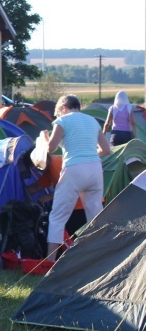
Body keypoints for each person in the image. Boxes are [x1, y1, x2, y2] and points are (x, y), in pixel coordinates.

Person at [43, 94, 111, 261]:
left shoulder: (63, 121)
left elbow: (51, 148)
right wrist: (89, 155)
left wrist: (44, 138)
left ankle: (49, 262)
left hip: (74, 169)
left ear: (64, 108)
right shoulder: (93, 121)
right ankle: (100, 257)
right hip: (95, 169)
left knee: (58, 216)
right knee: (95, 216)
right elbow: (106, 150)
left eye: (58, 113)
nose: (58, 116)